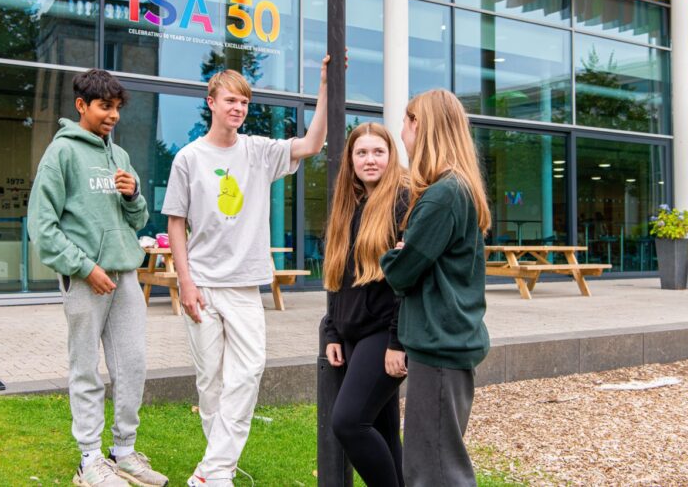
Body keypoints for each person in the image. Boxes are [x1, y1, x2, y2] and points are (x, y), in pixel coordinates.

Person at [162, 56, 333, 487]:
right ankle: (219, 473)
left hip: (244, 287)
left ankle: (212, 469)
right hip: (201, 284)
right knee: (210, 382)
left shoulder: (258, 151)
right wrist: (185, 282)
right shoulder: (188, 158)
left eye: (243, 102)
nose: (238, 108)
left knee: (249, 370)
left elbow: (312, 143)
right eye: (230, 100)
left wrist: (326, 85)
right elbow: (176, 223)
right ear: (212, 103)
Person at [28, 69, 168, 487]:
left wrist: (133, 195)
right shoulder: (62, 154)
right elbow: (42, 225)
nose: (113, 116)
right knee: (86, 368)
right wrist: (86, 268)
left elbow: (138, 219)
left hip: (125, 273)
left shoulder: (120, 157)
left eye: (117, 108)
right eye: (105, 107)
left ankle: (123, 452)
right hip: (84, 277)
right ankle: (89, 460)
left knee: (132, 364)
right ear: (82, 105)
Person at [380, 89, 491, 487]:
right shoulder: (454, 189)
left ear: (422, 128)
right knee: (435, 460)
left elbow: (402, 271)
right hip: (446, 343)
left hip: (440, 346)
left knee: (435, 469)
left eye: (407, 122)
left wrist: (395, 255)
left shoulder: (443, 195)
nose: (402, 132)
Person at [323, 122, 408, 487]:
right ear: (351, 159)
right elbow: (337, 274)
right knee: (383, 431)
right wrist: (331, 331)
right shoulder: (349, 204)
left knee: (349, 422)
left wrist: (396, 342)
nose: (370, 160)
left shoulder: (403, 202)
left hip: (382, 333)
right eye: (362, 152)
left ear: (391, 156)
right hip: (351, 335)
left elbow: (408, 280)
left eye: (378, 152)